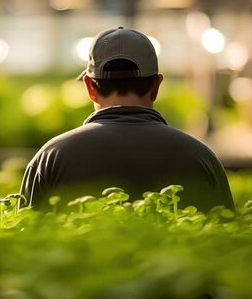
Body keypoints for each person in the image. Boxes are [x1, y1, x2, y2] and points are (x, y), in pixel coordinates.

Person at [20, 27, 234, 212]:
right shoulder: (201, 157)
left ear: (89, 87)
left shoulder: (51, 157)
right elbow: (229, 245)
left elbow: (25, 240)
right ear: (156, 86)